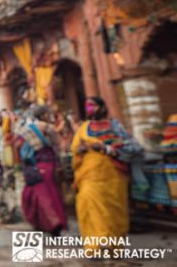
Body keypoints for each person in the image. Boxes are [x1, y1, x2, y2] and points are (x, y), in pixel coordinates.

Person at [71, 97, 142, 251]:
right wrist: (80, 150)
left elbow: (134, 147)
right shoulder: (84, 127)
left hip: (113, 176)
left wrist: (106, 149)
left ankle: (113, 247)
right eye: (87, 106)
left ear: (102, 107)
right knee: (88, 205)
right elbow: (75, 150)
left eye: (93, 105)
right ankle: (95, 246)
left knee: (113, 212)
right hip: (89, 176)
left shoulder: (114, 126)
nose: (90, 109)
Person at [17, 106, 67, 235]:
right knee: (51, 193)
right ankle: (54, 222)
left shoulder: (26, 130)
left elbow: (19, 146)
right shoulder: (48, 128)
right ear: (44, 115)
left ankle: (44, 223)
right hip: (49, 164)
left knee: (37, 194)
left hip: (34, 165)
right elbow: (58, 146)